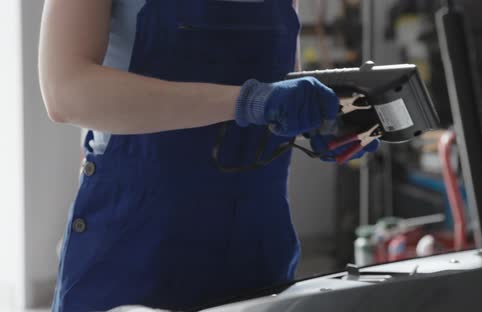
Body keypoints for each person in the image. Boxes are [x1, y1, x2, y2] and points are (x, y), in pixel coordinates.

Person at [39, 0, 379, 311]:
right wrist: (248, 102)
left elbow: (280, 76)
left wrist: (317, 119)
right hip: (137, 241)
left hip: (257, 239)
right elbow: (65, 92)